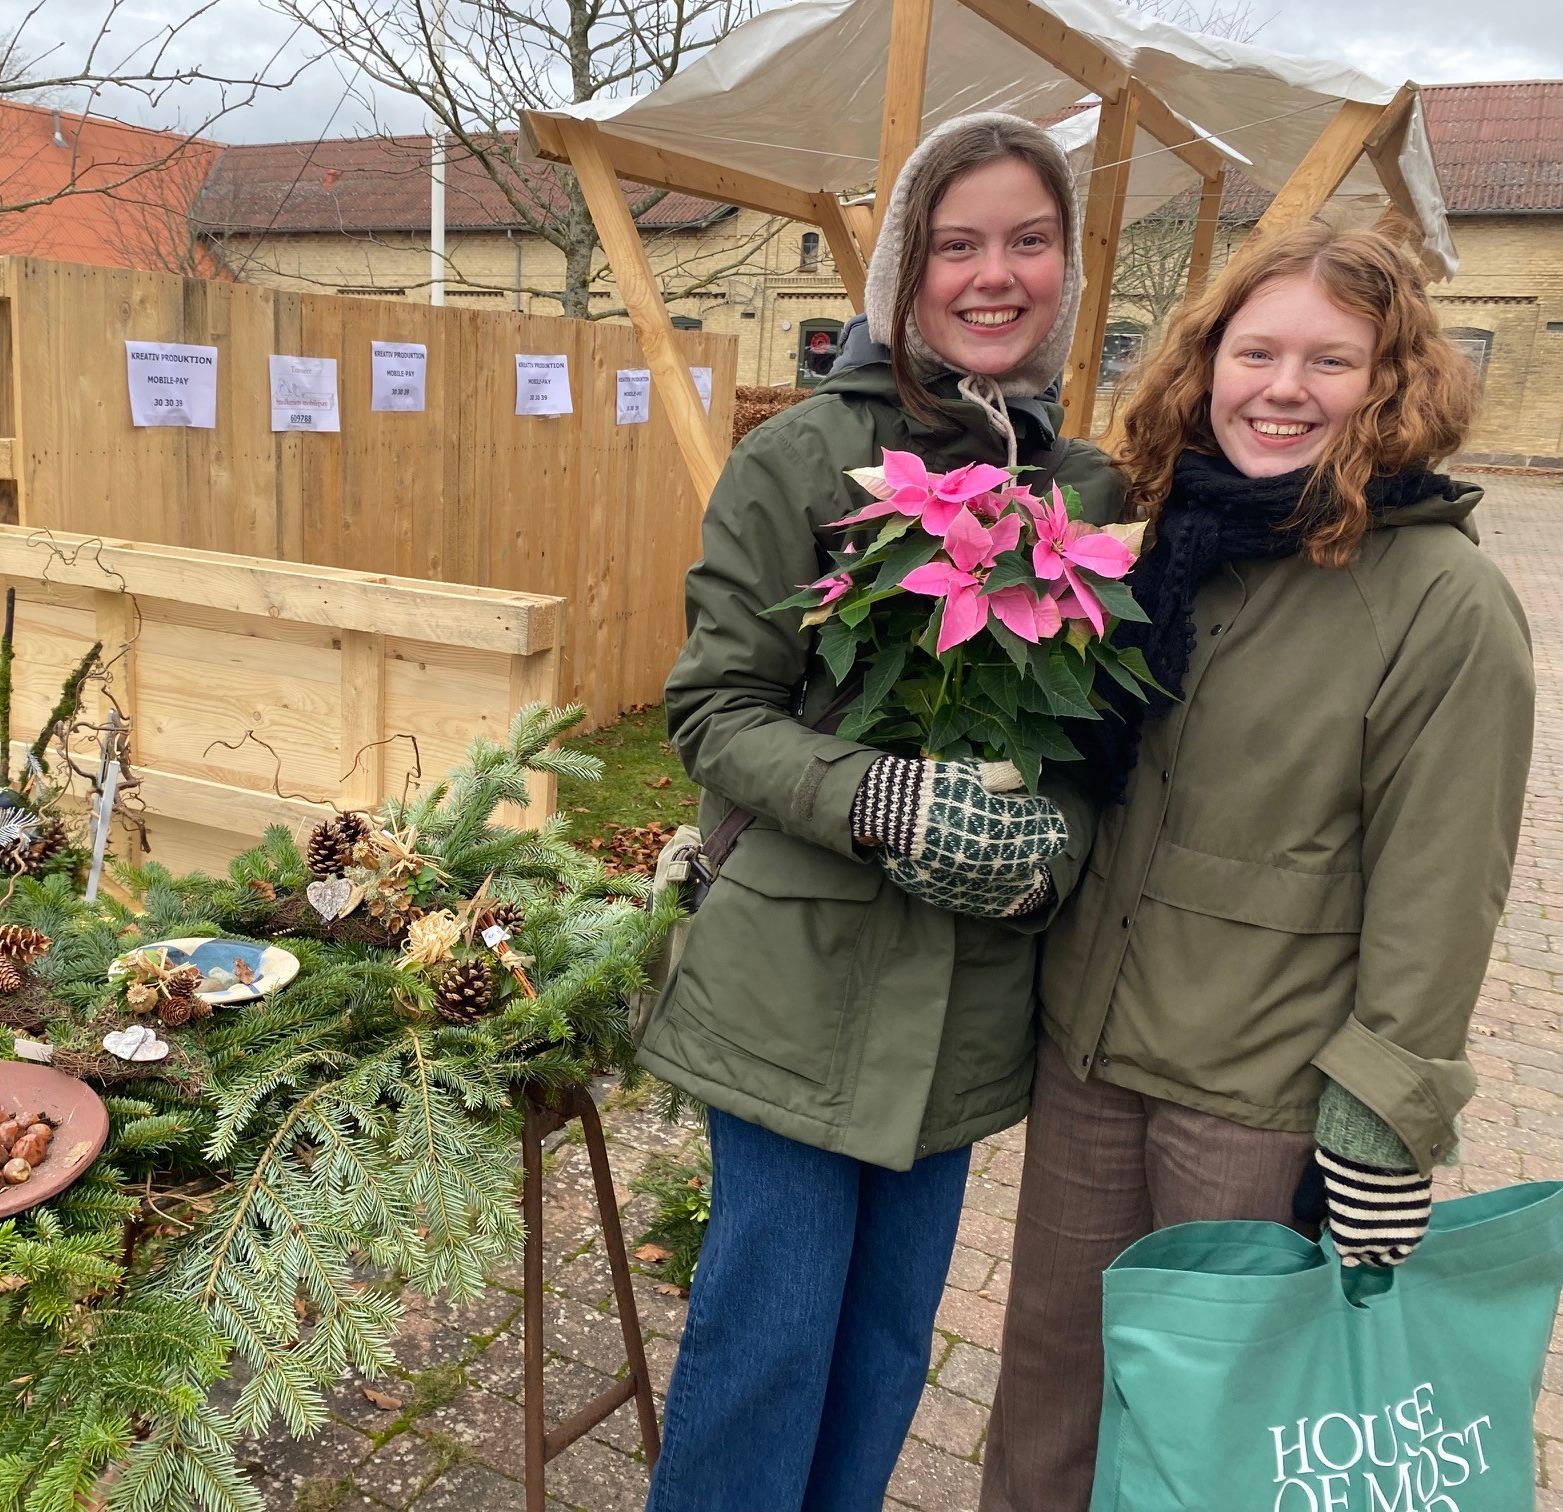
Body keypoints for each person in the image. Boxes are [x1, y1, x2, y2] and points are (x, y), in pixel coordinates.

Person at [980, 222, 1535, 1512]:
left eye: (1331, 361)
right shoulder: (1163, 534)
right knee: (1053, 1371)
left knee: (1217, 1420)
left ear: (1391, 384)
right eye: (1257, 350)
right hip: (1091, 1046)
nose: (1283, 389)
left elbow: (1443, 879)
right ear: (1206, 363)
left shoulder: (1442, 599)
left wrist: (1385, 1112)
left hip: (1256, 1086)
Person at [638, 113, 1126, 1512]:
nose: (993, 274)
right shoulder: (799, 462)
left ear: (1066, 270)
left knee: (890, 1345)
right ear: (903, 270)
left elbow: (1097, 762)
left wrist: (1047, 863)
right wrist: (884, 798)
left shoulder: (1081, 491)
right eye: (955, 243)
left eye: (1028, 242)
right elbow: (714, 711)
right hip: (793, 989)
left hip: (966, 1010)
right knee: (765, 1347)